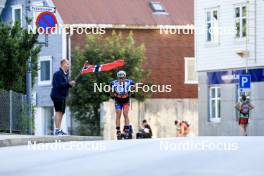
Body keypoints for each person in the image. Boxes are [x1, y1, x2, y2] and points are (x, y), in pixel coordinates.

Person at [50, 59, 75, 135]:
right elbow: (59, 85)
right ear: (62, 64)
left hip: (63, 96)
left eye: (68, 64)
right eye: (67, 64)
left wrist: (70, 85)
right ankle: (57, 130)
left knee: (62, 112)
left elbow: (65, 85)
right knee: (58, 111)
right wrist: (68, 84)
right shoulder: (57, 74)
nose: (68, 65)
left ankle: (59, 129)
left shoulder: (65, 74)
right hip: (57, 95)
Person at [110, 70, 135, 139]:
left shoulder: (130, 82)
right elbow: (110, 92)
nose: (121, 79)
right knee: (118, 114)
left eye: (122, 78)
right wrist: (113, 94)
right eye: (119, 78)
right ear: (117, 78)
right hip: (118, 100)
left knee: (125, 114)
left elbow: (134, 89)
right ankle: (118, 131)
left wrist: (130, 93)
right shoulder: (113, 83)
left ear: (125, 77)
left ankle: (126, 130)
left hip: (125, 100)